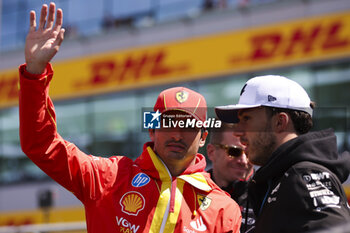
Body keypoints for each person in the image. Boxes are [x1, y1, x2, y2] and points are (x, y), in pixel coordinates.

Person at [18, 3, 242, 233]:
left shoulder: (224, 209)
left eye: (187, 126)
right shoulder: (108, 177)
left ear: (203, 136)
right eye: (168, 124)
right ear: (152, 129)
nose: (177, 134)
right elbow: (41, 144)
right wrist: (35, 73)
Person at [215, 75, 350, 232]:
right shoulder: (282, 178)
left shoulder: (301, 175)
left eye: (246, 118)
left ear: (280, 122)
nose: (238, 131)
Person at [206, 123, 255, 232]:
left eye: (248, 152)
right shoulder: (192, 193)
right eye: (234, 152)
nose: (243, 161)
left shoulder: (269, 193)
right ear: (211, 152)